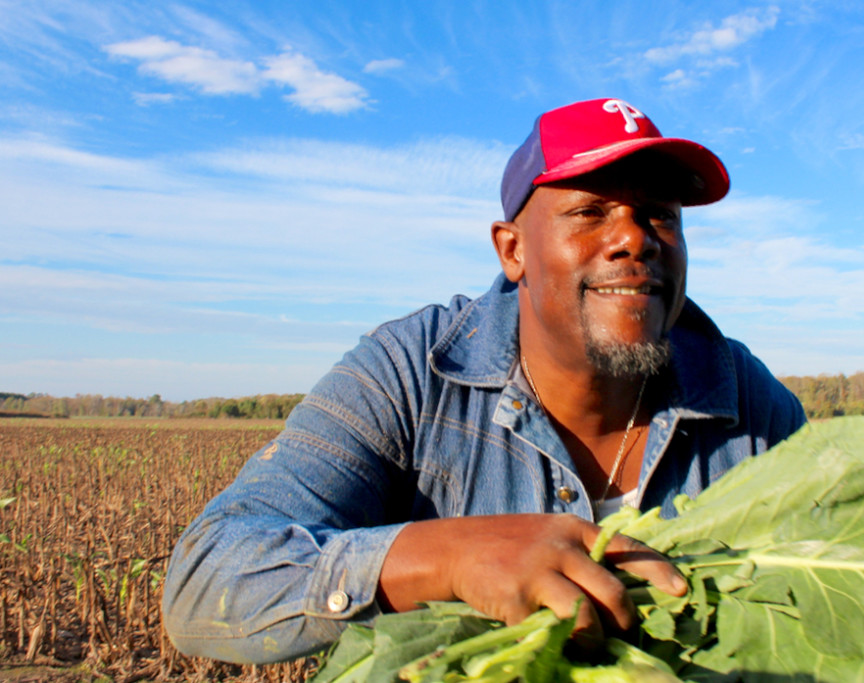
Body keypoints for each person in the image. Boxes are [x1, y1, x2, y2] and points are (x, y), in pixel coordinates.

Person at [162, 98, 806, 664]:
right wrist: (450, 557)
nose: (634, 239)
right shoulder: (409, 372)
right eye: (590, 211)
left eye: (659, 216)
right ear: (512, 250)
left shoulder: (749, 403)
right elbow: (208, 580)